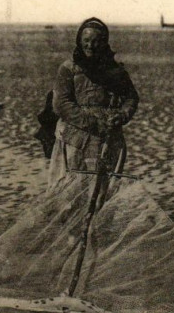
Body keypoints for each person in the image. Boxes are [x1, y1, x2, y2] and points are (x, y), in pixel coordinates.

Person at [49, 17, 139, 186]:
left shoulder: (116, 71)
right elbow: (61, 104)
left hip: (110, 140)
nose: (91, 45)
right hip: (75, 140)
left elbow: (131, 98)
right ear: (79, 41)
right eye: (86, 40)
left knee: (105, 190)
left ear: (104, 43)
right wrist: (94, 123)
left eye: (97, 41)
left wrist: (123, 114)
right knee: (72, 188)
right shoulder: (68, 69)